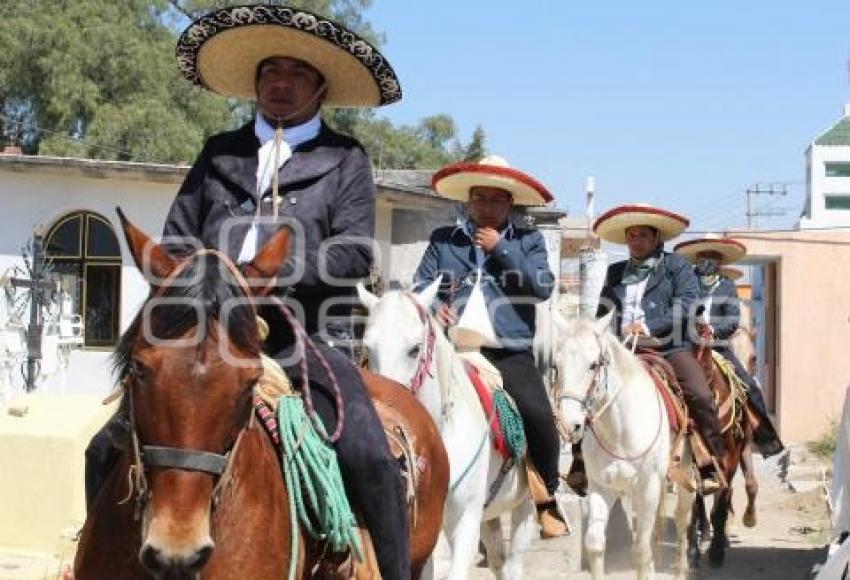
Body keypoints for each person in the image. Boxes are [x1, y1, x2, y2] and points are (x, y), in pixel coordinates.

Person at [86, 5, 410, 578]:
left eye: (296, 73)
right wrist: (205, 278)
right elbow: (178, 234)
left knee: (368, 450)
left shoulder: (346, 159)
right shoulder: (219, 152)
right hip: (202, 335)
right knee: (102, 448)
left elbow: (355, 250)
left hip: (297, 333)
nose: (280, 83)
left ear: (321, 88)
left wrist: (268, 272)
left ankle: (391, 569)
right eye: (269, 72)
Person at [412, 155, 569, 538]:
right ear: (468, 200)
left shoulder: (528, 241)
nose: (487, 206)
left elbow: (542, 287)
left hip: (507, 350)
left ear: (509, 204)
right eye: (479, 198)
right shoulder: (443, 241)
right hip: (452, 350)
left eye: (496, 199)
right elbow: (420, 285)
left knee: (540, 418)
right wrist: (436, 307)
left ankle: (546, 496)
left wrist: (501, 248)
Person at [573, 204, 726, 496]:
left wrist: (649, 327)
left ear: (657, 238)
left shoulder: (676, 266)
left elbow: (688, 304)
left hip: (667, 347)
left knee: (701, 395)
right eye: (631, 236)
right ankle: (581, 463)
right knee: (584, 391)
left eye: (642, 235)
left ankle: (709, 462)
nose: (636, 241)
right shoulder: (616, 272)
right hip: (621, 350)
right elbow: (604, 310)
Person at [674, 236, 784, 457]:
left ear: (720, 260)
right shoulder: (686, 282)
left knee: (749, 386)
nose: (708, 260)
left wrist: (712, 330)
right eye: (704, 256)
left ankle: (765, 438)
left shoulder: (727, 285)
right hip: (687, 346)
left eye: (713, 257)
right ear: (697, 259)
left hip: (718, 347)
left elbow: (732, 319)